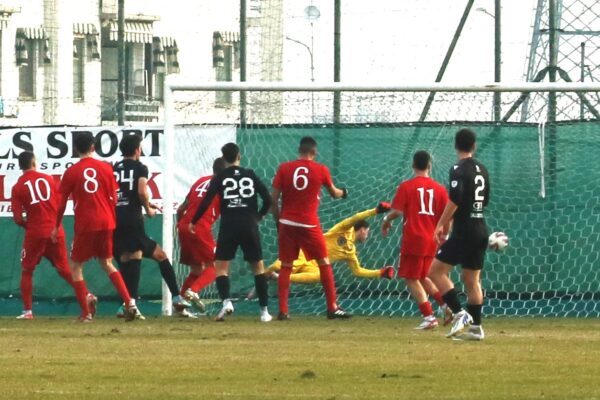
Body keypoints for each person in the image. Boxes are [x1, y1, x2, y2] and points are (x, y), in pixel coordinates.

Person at [52, 132, 138, 322]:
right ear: (93, 147)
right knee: (107, 263)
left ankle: (86, 313)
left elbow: (61, 203)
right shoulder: (106, 168)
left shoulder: (71, 172)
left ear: (75, 149)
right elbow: (114, 197)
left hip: (86, 224)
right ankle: (129, 302)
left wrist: (55, 226)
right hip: (107, 221)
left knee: (75, 266)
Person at [189, 143, 273, 322]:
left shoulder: (219, 177)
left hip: (229, 225)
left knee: (220, 267)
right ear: (239, 156)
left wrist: (194, 221)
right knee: (258, 268)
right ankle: (264, 312)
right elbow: (267, 197)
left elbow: (206, 201)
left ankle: (226, 302)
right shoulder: (250, 174)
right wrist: (260, 215)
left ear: (223, 157)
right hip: (249, 224)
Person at [112, 134, 191, 319]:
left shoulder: (114, 169)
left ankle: (127, 304)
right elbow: (141, 190)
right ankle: (175, 297)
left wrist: (145, 205)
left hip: (116, 218)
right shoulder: (140, 167)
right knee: (159, 256)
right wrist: (147, 208)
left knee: (127, 259)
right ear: (137, 150)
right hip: (132, 219)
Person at [271, 136, 350, 320]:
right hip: (309, 224)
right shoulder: (321, 169)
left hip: (287, 223)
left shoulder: (284, 168)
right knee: (324, 263)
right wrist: (344, 192)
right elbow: (334, 193)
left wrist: (278, 220)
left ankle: (283, 311)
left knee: (286, 266)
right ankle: (332, 307)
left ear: (299, 150)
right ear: (314, 152)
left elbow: (273, 198)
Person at [10, 151, 91, 320]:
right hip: (55, 229)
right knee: (65, 269)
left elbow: (18, 219)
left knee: (27, 270)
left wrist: (29, 225)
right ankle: (87, 294)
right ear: (34, 163)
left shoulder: (18, 187)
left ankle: (28, 312)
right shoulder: (48, 179)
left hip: (35, 232)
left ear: (20, 166)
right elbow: (61, 200)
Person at [428, 128, 490, 341]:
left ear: (456, 145)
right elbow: (485, 201)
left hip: (465, 230)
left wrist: (441, 224)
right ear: (474, 146)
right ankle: (476, 329)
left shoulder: (457, 168)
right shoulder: (482, 169)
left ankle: (459, 313)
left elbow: (455, 198)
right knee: (472, 281)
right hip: (480, 227)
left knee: (435, 271)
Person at [381, 150, 452, 330]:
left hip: (414, 238)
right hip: (432, 239)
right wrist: (445, 235)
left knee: (411, 278)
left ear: (413, 166)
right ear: (430, 166)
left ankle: (429, 317)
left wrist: (386, 220)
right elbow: (448, 216)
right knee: (423, 276)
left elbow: (397, 211)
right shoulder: (440, 189)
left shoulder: (406, 186)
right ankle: (445, 306)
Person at [257, 204, 395, 286]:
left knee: (320, 276)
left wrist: (380, 273)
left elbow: (357, 271)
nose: (367, 235)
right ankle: (261, 283)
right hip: (304, 253)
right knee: (277, 266)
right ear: (362, 229)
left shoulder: (350, 251)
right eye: (367, 232)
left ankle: (278, 278)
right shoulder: (344, 229)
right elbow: (355, 218)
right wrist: (375, 211)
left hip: (315, 264)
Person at [176, 157, 226, 313]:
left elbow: (180, 209)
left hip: (184, 226)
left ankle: (179, 306)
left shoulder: (200, 181)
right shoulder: (224, 186)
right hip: (199, 228)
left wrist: (180, 226)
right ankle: (194, 291)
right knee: (217, 266)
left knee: (197, 270)